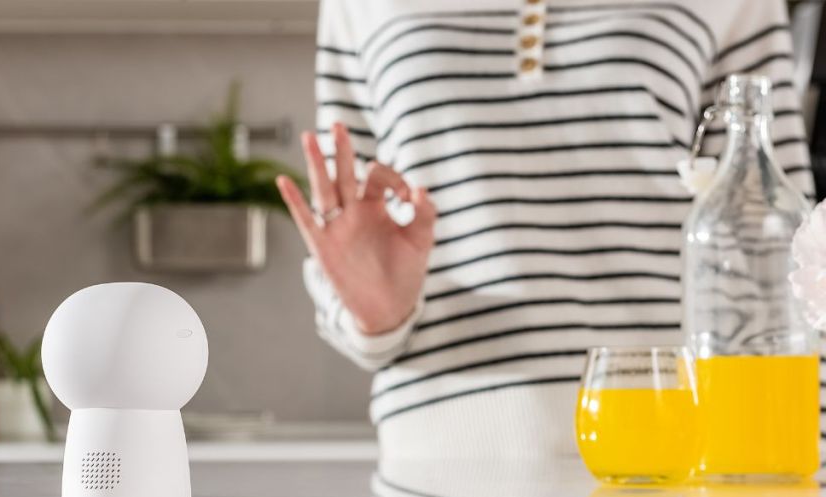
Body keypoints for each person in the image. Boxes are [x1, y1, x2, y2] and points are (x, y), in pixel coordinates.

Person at [276, 0, 814, 459]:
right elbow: (343, 222)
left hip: (672, 448)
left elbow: (787, 259)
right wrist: (376, 312)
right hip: (441, 466)